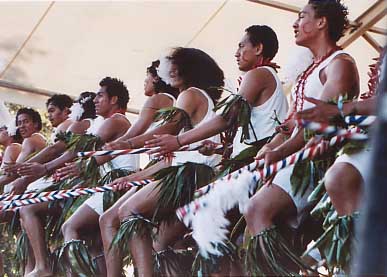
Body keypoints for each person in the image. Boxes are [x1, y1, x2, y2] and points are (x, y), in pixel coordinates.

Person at [144, 25, 289, 275]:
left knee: (207, 227)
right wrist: (223, 149)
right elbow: (252, 127)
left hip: (254, 166)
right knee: (219, 237)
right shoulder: (262, 77)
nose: (237, 52)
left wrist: (178, 141)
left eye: (242, 46)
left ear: (259, 48)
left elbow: (227, 119)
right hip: (248, 163)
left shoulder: (259, 75)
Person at [242, 0, 359, 275]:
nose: (295, 24)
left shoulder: (339, 65)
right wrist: (271, 145)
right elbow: (294, 124)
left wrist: (279, 154)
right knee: (252, 228)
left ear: (322, 23)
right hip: (295, 156)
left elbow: (317, 125)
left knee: (257, 210)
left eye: (302, 16)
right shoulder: (309, 72)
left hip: (319, 161)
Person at [99, 47, 224, 277]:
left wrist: (128, 144)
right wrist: (131, 178)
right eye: (172, 66)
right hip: (186, 172)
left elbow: (169, 129)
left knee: (129, 211)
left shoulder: (191, 94)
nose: (173, 70)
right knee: (155, 242)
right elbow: (169, 162)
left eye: (179, 65)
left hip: (191, 174)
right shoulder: (188, 97)